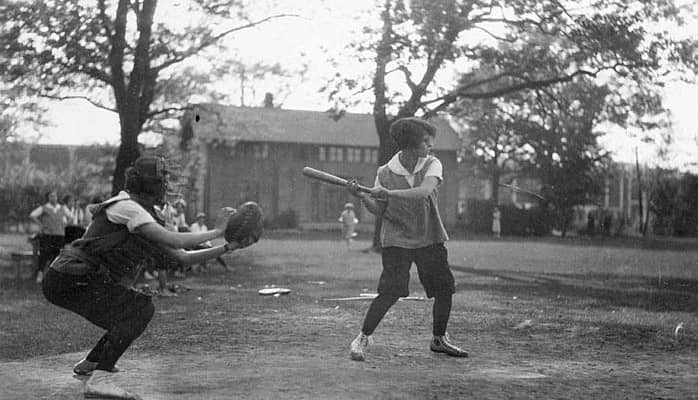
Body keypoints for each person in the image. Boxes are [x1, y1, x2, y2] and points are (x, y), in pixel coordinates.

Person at [41, 155, 254, 400]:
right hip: (68, 278)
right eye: (161, 180)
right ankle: (100, 379)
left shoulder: (140, 211)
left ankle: (90, 364)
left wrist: (228, 247)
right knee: (140, 309)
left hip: (68, 279)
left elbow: (182, 257)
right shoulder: (127, 206)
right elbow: (175, 239)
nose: (165, 185)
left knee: (130, 310)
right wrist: (218, 230)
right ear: (147, 184)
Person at [345, 117, 468, 362]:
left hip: (428, 236)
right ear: (410, 144)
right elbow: (379, 210)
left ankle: (439, 339)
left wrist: (388, 193)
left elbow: (423, 192)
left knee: (444, 289)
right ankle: (363, 337)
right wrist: (360, 195)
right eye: (425, 141)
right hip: (396, 238)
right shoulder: (385, 172)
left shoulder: (433, 164)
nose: (430, 146)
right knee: (390, 291)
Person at [29, 190, 72, 283]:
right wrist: (41, 224)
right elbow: (32, 215)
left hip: (59, 235)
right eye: (51, 196)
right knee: (44, 254)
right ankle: (40, 274)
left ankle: (54, 276)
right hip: (47, 235)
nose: (54, 198)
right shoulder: (44, 208)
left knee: (57, 255)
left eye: (55, 196)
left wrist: (64, 225)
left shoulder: (62, 208)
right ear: (48, 198)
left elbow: (70, 217)